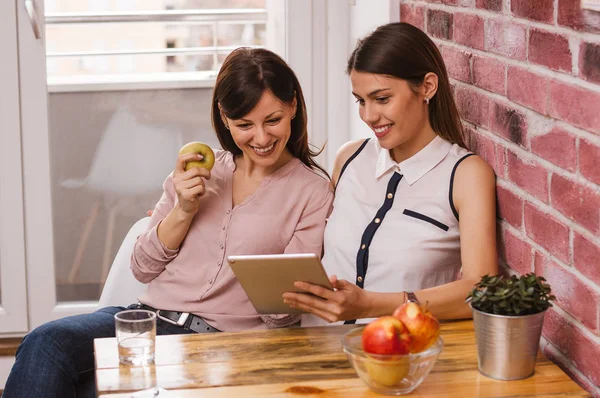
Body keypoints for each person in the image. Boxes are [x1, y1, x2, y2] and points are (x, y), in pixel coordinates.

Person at [3, 47, 333, 398]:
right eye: (244, 125)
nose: (262, 139)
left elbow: (284, 318)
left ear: (293, 106)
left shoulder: (312, 191)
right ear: (224, 117)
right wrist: (184, 208)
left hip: (221, 344)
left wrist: (272, 286)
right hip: (145, 322)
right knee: (45, 343)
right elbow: (142, 267)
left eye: (273, 120)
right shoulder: (197, 169)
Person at [283, 22, 498, 325]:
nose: (369, 116)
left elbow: (481, 292)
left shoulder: (466, 175)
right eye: (361, 100)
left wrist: (372, 306)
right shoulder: (350, 158)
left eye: (382, 99)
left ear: (427, 87)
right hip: (314, 351)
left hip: (398, 358)